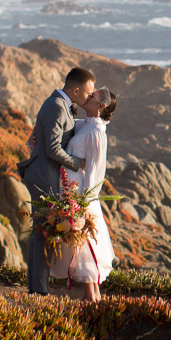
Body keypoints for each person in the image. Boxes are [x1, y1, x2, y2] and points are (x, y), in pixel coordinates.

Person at [18, 66, 94, 293]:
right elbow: (52, 149)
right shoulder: (57, 107)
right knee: (43, 233)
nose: (89, 98)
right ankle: (38, 291)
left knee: (41, 232)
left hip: (46, 174)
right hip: (44, 176)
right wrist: (78, 163)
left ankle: (37, 288)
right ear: (76, 90)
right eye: (88, 94)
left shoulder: (60, 104)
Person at [49, 86, 118, 300]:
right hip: (69, 189)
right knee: (77, 244)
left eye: (94, 95)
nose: (88, 95)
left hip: (80, 195)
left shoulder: (97, 132)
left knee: (83, 243)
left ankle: (91, 298)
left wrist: (83, 204)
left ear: (101, 106)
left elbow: (96, 172)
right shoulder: (83, 125)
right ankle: (94, 297)